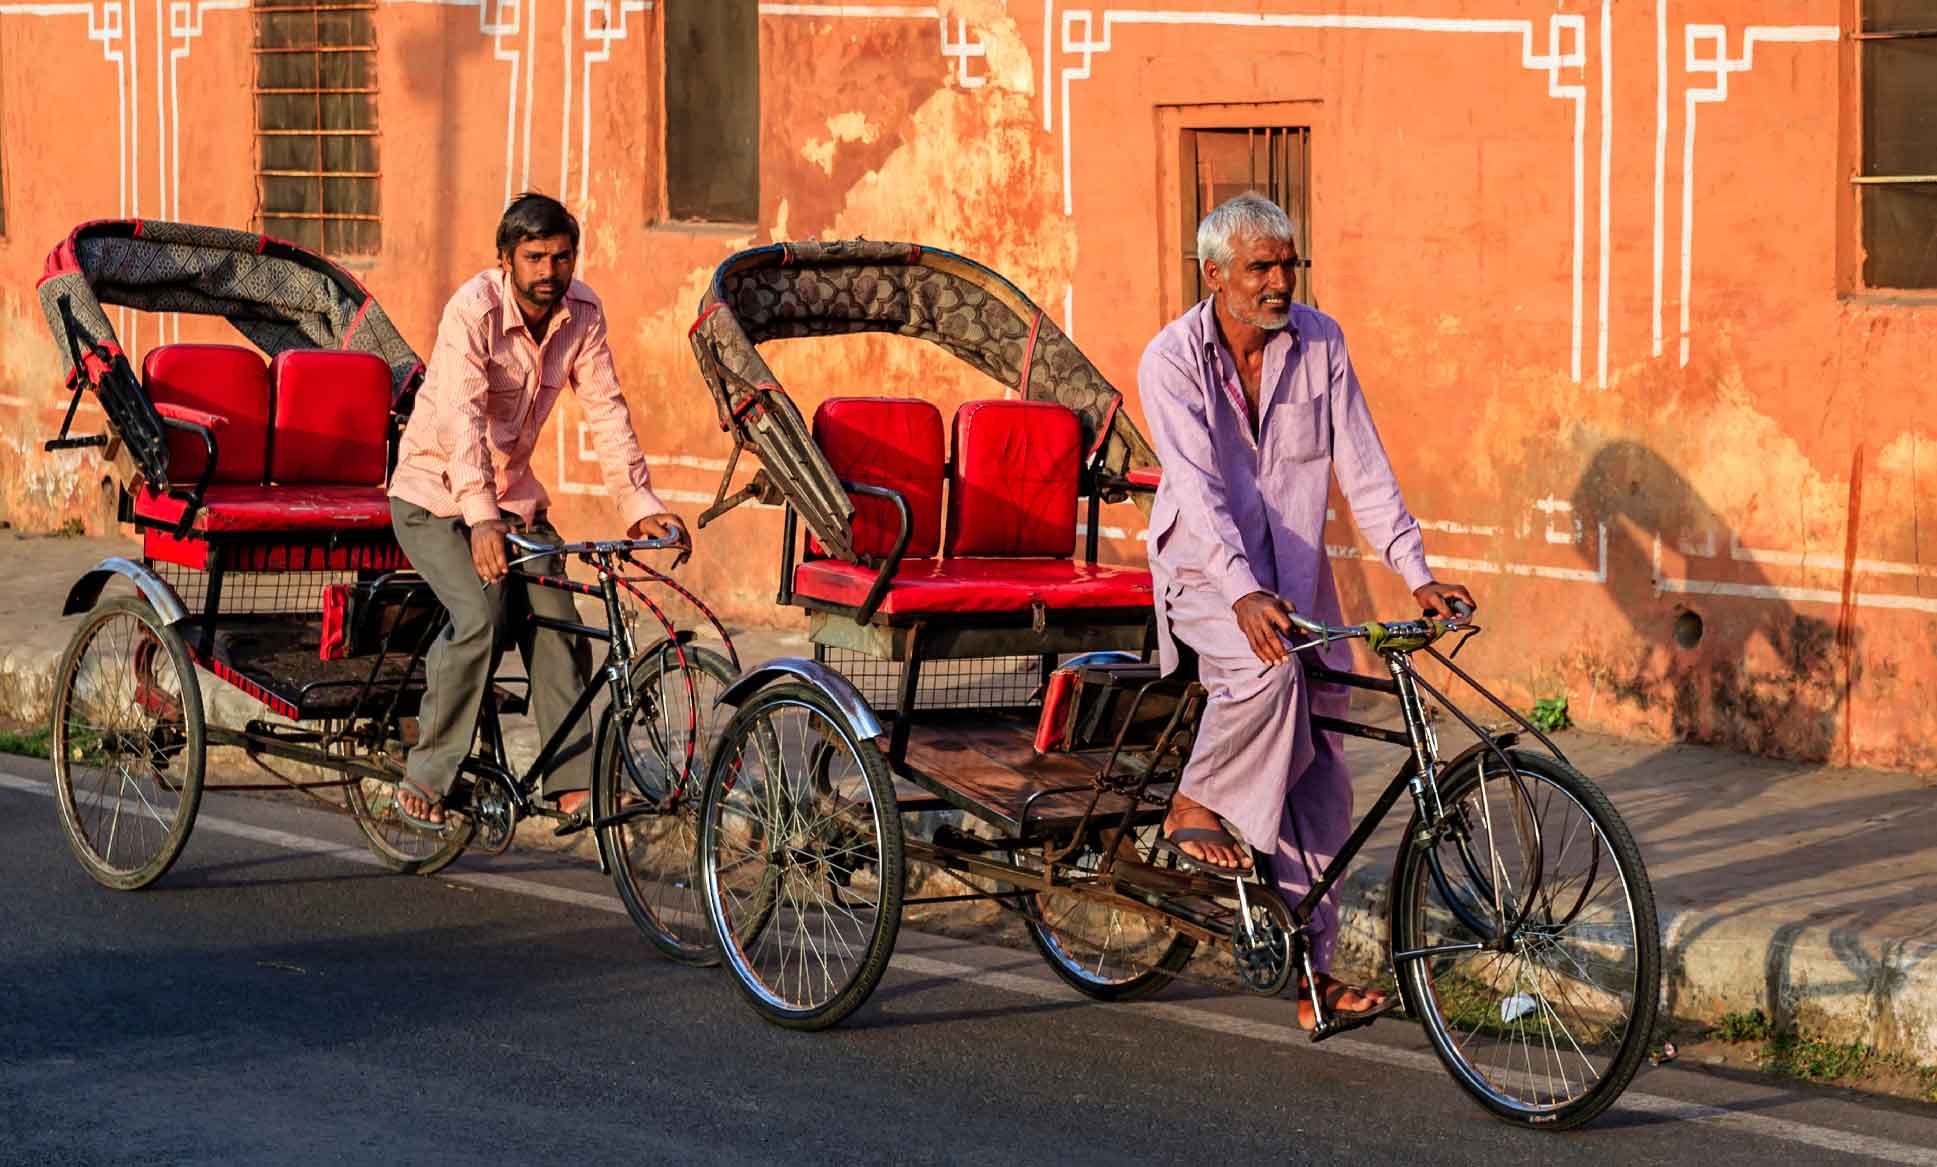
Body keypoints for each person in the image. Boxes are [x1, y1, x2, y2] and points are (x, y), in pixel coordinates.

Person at [1139, 193, 1475, 1031]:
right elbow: (1199, 491)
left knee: (1320, 768)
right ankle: (1194, 798)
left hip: (1294, 583)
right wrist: (1240, 590)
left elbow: (1363, 464)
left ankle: (1310, 973)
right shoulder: (1170, 358)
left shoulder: (1319, 341)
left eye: (1288, 263)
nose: (1280, 280)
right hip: (1203, 575)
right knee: (1266, 681)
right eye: (1261, 266)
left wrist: (1415, 571)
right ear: (1214, 274)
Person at [386, 192, 689, 831]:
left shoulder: (582, 312)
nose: (549, 270)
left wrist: (639, 505)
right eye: (535, 257)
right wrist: (481, 520)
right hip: (433, 494)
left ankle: (573, 785)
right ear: (506, 259)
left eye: (561, 256)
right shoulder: (471, 311)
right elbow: (462, 419)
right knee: (479, 615)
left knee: (560, 621)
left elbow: (607, 411)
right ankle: (427, 772)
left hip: (514, 500)